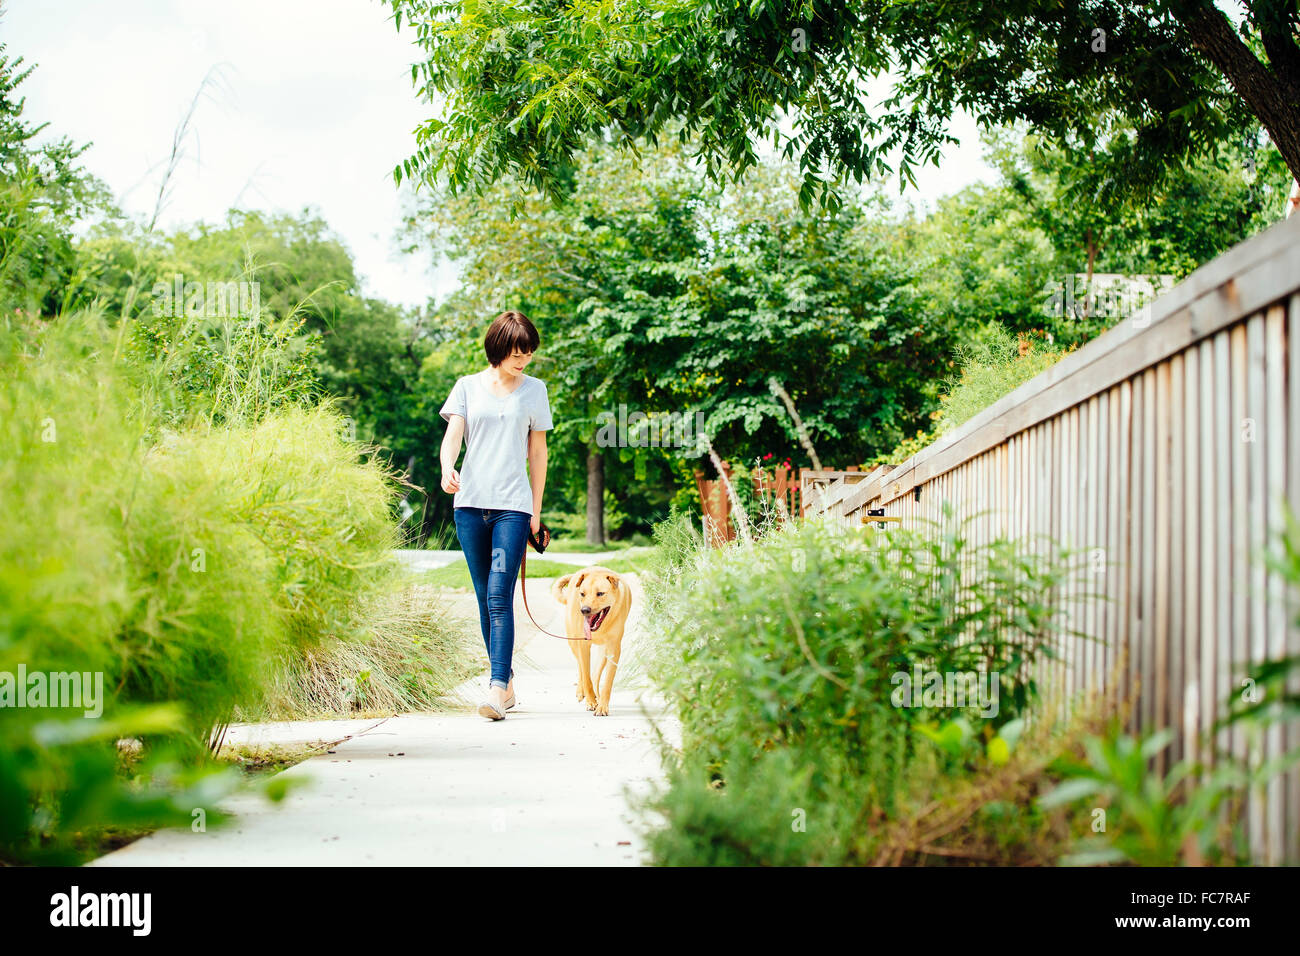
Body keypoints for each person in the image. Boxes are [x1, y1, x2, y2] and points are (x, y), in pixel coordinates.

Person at [439, 310, 553, 720]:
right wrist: (446, 467)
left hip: (512, 509)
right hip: (469, 507)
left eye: (528, 354)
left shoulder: (534, 390)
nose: (523, 361)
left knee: (499, 595)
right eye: (517, 353)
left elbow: (537, 453)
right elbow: (453, 436)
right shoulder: (467, 387)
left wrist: (535, 512)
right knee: (484, 596)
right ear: (498, 348)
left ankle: (496, 687)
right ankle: (505, 684)